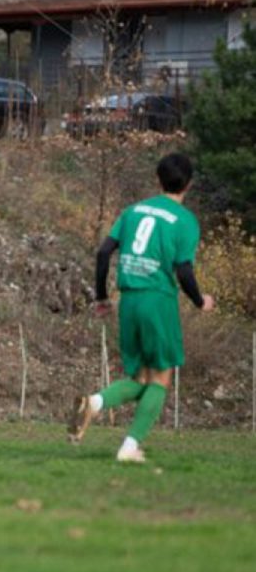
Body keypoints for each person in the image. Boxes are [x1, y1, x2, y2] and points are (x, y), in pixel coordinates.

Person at [68, 152, 215, 462]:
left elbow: (103, 252)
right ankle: (130, 447)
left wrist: (102, 297)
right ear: (189, 184)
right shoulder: (185, 221)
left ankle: (94, 403)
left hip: (128, 301)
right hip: (157, 300)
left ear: (157, 180)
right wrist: (201, 301)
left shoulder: (133, 211)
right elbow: (184, 270)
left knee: (142, 380)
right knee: (162, 378)